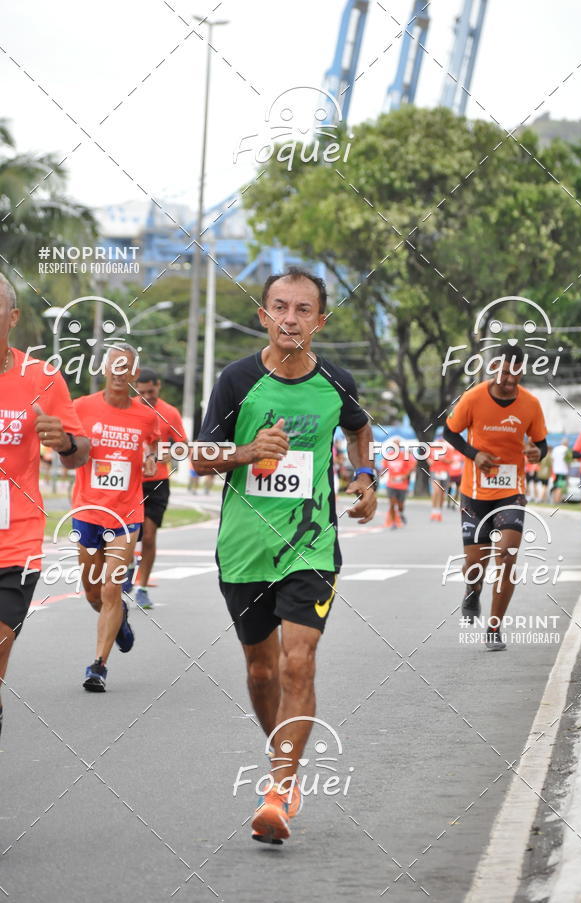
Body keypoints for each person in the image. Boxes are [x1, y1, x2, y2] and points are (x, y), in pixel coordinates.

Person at [194, 267, 376, 844]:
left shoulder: (336, 381)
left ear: (320, 321)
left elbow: (358, 428)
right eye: (280, 308)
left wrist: (365, 475)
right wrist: (247, 451)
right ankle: (281, 756)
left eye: (303, 310)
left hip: (311, 543)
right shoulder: (236, 379)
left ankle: (279, 787)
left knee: (300, 660)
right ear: (263, 315)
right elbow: (199, 456)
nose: (290, 319)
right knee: (261, 669)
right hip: (244, 547)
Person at [0, 274, 89, 737]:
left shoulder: (41, 377)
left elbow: (78, 455)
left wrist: (66, 441)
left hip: (15, 541)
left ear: (12, 317)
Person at [444, 343, 547, 650]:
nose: (507, 377)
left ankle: (494, 627)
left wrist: (536, 453)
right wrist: (474, 454)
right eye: (502, 370)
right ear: (493, 369)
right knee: (476, 565)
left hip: (511, 491)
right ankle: (472, 590)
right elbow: (450, 433)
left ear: (521, 371)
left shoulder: (530, 404)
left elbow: (541, 445)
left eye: (513, 371)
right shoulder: (473, 397)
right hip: (474, 493)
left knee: (506, 556)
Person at [72, 345, 159, 692]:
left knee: (111, 588)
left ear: (135, 374)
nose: (120, 372)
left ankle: (98, 666)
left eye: (128, 368)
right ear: (105, 369)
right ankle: (119, 621)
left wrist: (150, 460)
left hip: (126, 514)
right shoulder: (82, 408)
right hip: (88, 511)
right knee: (93, 592)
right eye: (115, 366)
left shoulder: (146, 417)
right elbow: (69, 450)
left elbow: (151, 448)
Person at [133, 368, 187, 609]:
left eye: (151, 392)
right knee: (128, 535)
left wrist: (163, 455)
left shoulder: (170, 413)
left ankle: (142, 587)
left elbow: (182, 446)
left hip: (157, 482)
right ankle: (124, 569)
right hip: (129, 482)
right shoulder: (127, 408)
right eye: (141, 392)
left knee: (149, 535)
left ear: (159, 387)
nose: (146, 397)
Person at [381, 438, 414, 527]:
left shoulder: (404, 456)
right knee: (392, 503)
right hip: (391, 484)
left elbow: (411, 467)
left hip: (402, 485)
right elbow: (384, 467)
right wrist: (381, 473)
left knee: (400, 505)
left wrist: (405, 475)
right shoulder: (388, 456)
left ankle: (401, 513)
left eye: (397, 444)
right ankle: (393, 522)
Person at [428, 437, 452, 521]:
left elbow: (451, 460)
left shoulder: (448, 449)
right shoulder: (432, 448)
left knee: (442, 493)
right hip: (435, 471)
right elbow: (428, 458)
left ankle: (439, 512)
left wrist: (444, 459)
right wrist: (430, 461)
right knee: (436, 490)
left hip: (445, 473)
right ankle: (433, 511)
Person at [551, 437, 570, 505]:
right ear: (566, 443)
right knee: (560, 487)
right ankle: (557, 501)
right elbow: (568, 461)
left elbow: (552, 460)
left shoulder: (555, 449)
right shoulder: (567, 450)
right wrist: (568, 470)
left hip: (555, 470)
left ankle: (554, 500)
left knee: (555, 486)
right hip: (563, 471)